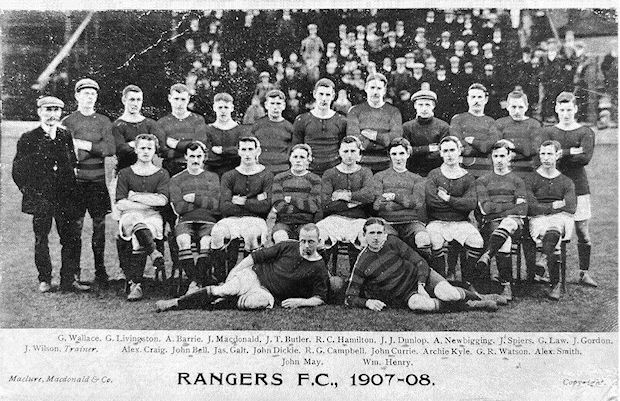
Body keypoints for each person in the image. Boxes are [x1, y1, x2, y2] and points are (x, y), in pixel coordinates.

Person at [155, 223, 329, 312]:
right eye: (303, 240)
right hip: (254, 276)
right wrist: (234, 272)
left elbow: (319, 297)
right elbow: (254, 257)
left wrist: (300, 302)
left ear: (319, 242)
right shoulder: (288, 246)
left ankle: (225, 300)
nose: (305, 245)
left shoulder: (319, 266)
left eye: (311, 242)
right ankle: (175, 303)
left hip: (268, 293)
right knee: (222, 290)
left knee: (256, 304)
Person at [12, 96, 89, 293]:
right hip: (41, 198)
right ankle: (44, 278)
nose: (52, 115)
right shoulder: (28, 138)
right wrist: (31, 193)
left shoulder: (65, 135)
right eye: (48, 110)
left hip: (65, 197)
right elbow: (18, 171)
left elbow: (72, 163)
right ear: (39, 112)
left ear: (60, 113)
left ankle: (68, 279)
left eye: (56, 110)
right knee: (41, 238)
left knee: (70, 238)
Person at [344, 218, 500, 312]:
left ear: (385, 234)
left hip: (421, 276)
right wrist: (367, 302)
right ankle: (472, 305)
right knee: (419, 305)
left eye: (379, 233)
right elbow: (350, 297)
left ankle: (480, 297)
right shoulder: (362, 262)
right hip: (405, 294)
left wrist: (421, 284)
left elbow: (420, 262)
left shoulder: (392, 242)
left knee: (448, 294)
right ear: (364, 235)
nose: (376, 237)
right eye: (371, 233)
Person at [537, 92, 597, 287]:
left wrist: (563, 153)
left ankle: (584, 272)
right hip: (553, 186)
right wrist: (574, 150)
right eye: (562, 110)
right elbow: (545, 156)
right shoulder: (548, 132)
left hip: (579, 186)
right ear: (556, 109)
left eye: (569, 110)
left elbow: (585, 158)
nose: (565, 113)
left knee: (582, 230)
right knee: (550, 227)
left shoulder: (585, 131)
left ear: (576, 109)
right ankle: (544, 268)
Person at [61, 78, 115, 286]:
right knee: (75, 228)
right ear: (77, 96)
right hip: (76, 182)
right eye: (85, 93)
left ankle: (100, 271)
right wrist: (91, 148)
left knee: (99, 227)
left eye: (93, 94)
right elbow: (65, 150)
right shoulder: (68, 121)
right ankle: (74, 273)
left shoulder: (103, 121)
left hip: (97, 181)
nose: (89, 97)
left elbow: (109, 149)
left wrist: (85, 145)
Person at [112, 85, 167, 282]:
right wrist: (139, 145)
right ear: (124, 101)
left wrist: (133, 145)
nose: (135, 104)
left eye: (138, 100)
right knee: (124, 221)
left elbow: (159, 145)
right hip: (123, 175)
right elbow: (120, 149)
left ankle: (149, 270)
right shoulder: (118, 124)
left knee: (145, 217)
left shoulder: (150, 123)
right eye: (131, 99)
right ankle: (124, 269)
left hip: (148, 177)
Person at [158, 83, 209, 277]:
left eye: (183, 99)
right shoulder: (162, 122)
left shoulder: (197, 120)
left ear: (188, 100)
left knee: (190, 215)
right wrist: (182, 147)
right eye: (176, 99)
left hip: (193, 171)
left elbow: (199, 146)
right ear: (170, 98)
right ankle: (174, 266)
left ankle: (189, 268)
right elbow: (163, 149)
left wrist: (176, 143)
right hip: (170, 170)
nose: (180, 103)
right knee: (170, 220)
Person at [115, 134, 170, 301]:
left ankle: (136, 284)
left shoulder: (161, 173)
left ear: (154, 151)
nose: (146, 151)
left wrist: (135, 196)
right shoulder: (125, 173)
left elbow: (162, 201)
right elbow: (120, 203)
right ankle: (153, 253)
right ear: (136, 150)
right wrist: (149, 201)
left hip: (153, 216)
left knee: (139, 234)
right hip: (129, 215)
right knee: (134, 221)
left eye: (149, 148)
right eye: (142, 148)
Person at [212, 136, 273, 283]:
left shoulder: (266, 175)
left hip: (256, 220)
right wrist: (254, 200)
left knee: (251, 235)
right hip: (232, 219)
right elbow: (225, 207)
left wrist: (241, 201)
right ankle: (222, 278)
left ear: (257, 151)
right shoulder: (229, 176)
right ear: (238, 152)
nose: (247, 154)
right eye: (243, 149)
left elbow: (265, 206)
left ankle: (246, 278)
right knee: (217, 232)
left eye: (250, 149)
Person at [425, 136, 485, 283]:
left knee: (477, 241)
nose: (449, 154)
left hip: (460, 222)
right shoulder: (434, 174)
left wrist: (448, 199)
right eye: (445, 151)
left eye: (452, 150)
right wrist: (458, 204)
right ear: (440, 153)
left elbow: (470, 203)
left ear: (459, 151)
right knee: (434, 240)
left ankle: (467, 281)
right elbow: (432, 202)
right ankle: (441, 281)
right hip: (437, 221)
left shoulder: (468, 177)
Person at [475, 140, 528, 299]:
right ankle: (506, 285)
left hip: (514, 224)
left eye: (502, 156)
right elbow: (485, 208)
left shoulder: (517, 180)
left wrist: (498, 207)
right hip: (492, 224)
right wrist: (508, 206)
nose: (499, 160)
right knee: (504, 239)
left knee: (509, 222)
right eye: (495, 156)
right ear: (491, 157)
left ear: (509, 157)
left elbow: (522, 209)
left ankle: (488, 255)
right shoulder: (482, 181)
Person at [525, 140, 577, 300]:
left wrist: (547, 207)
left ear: (558, 155)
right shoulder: (531, 179)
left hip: (561, 219)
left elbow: (570, 207)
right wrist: (554, 205)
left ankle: (544, 258)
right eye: (543, 154)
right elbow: (531, 207)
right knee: (550, 232)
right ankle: (555, 284)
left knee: (556, 225)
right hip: (538, 219)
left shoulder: (566, 181)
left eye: (550, 154)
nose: (546, 158)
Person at [169, 141, 220, 295]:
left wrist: (195, 198)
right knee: (183, 240)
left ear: (204, 157)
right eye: (192, 156)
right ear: (186, 157)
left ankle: (194, 282)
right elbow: (179, 208)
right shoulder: (176, 179)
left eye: (199, 156)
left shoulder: (212, 177)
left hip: (208, 220)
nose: (195, 160)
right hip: (186, 221)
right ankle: (197, 281)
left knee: (206, 242)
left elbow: (216, 205)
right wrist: (205, 201)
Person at [317, 136, 374, 270]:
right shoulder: (330, 173)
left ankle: (358, 278)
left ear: (359, 153)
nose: (349, 155)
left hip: (358, 220)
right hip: (334, 219)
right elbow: (325, 203)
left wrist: (345, 196)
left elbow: (369, 196)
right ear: (339, 152)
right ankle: (324, 275)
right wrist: (354, 202)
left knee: (365, 239)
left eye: (353, 151)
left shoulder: (365, 172)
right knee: (318, 236)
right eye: (345, 151)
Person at [370, 137, 430, 258]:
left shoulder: (417, 179)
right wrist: (406, 203)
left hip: (411, 223)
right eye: (394, 154)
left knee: (423, 238)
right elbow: (377, 205)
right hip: (387, 223)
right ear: (389, 155)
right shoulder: (379, 177)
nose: (398, 158)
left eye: (402, 153)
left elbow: (417, 202)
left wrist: (394, 197)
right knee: (388, 242)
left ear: (408, 154)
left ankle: (423, 272)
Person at [346, 73, 403, 173]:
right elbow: (354, 137)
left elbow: (396, 137)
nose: (375, 92)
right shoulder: (355, 111)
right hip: (362, 162)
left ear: (384, 91)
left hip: (386, 163)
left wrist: (375, 136)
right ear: (366, 88)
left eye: (379, 88)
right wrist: (383, 141)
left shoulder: (393, 112)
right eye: (372, 87)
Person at [292, 78, 347, 176]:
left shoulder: (341, 120)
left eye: (328, 95)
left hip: (334, 173)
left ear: (333, 96)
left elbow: (343, 149)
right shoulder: (302, 120)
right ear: (314, 94)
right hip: (309, 172)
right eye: (321, 94)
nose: (324, 99)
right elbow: (296, 148)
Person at [268, 144, 322, 243]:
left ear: (308, 160)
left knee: (306, 241)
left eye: (302, 157)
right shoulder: (280, 178)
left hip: (306, 223)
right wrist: (302, 207)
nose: (298, 160)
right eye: (295, 157)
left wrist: (291, 200)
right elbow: (278, 204)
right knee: (281, 239)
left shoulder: (315, 179)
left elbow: (313, 206)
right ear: (290, 159)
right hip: (283, 222)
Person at [449, 83, 500, 177]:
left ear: (486, 100)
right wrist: (482, 148)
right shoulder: (458, 119)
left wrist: (474, 142)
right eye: (473, 97)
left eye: (480, 97)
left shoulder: (491, 122)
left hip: (486, 170)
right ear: (468, 99)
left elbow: (491, 145)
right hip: (463, 169)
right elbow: (458, 145)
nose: (476, 101)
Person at [402, 89, 450, 177]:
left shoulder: (443, 126)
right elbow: (406, 151)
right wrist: (428, 149)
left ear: (433, 106)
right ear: (415, 106)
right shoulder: (407, 127)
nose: (424, 108)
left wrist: (416, 151)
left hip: (436, 172)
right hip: (413, 171)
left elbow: (443, 152)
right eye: (420, 105)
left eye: (427, 105)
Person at [495, 90, 541, 178]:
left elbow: (534, 148)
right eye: (513, 107)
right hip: (504, 169)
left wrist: (513, 146)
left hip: (527, 169)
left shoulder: (534, 124)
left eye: (520, 107)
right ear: (507, 107)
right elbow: (496, 146)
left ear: (526, 107)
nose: (517, 111)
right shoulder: (500, 123)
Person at [250, 89, 293, 175]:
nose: (275, 107)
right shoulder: (258, 125)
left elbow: (291, 152)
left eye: (278, 104)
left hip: (282, 170)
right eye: (272, 103)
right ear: (266, 105)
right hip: (260, 170)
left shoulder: (289, 127)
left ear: (283, 106)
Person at [205, 92, 247, 178]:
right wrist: (231, 154)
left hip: (234, 173)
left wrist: (223, 151)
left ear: (232, 108)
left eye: (226, 107)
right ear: (214, 108)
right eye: (220, 107)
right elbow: (208, 155)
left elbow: (242, 151)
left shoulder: (240, 130)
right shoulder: (208, 129)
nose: (223, 111)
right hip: (212, 173)